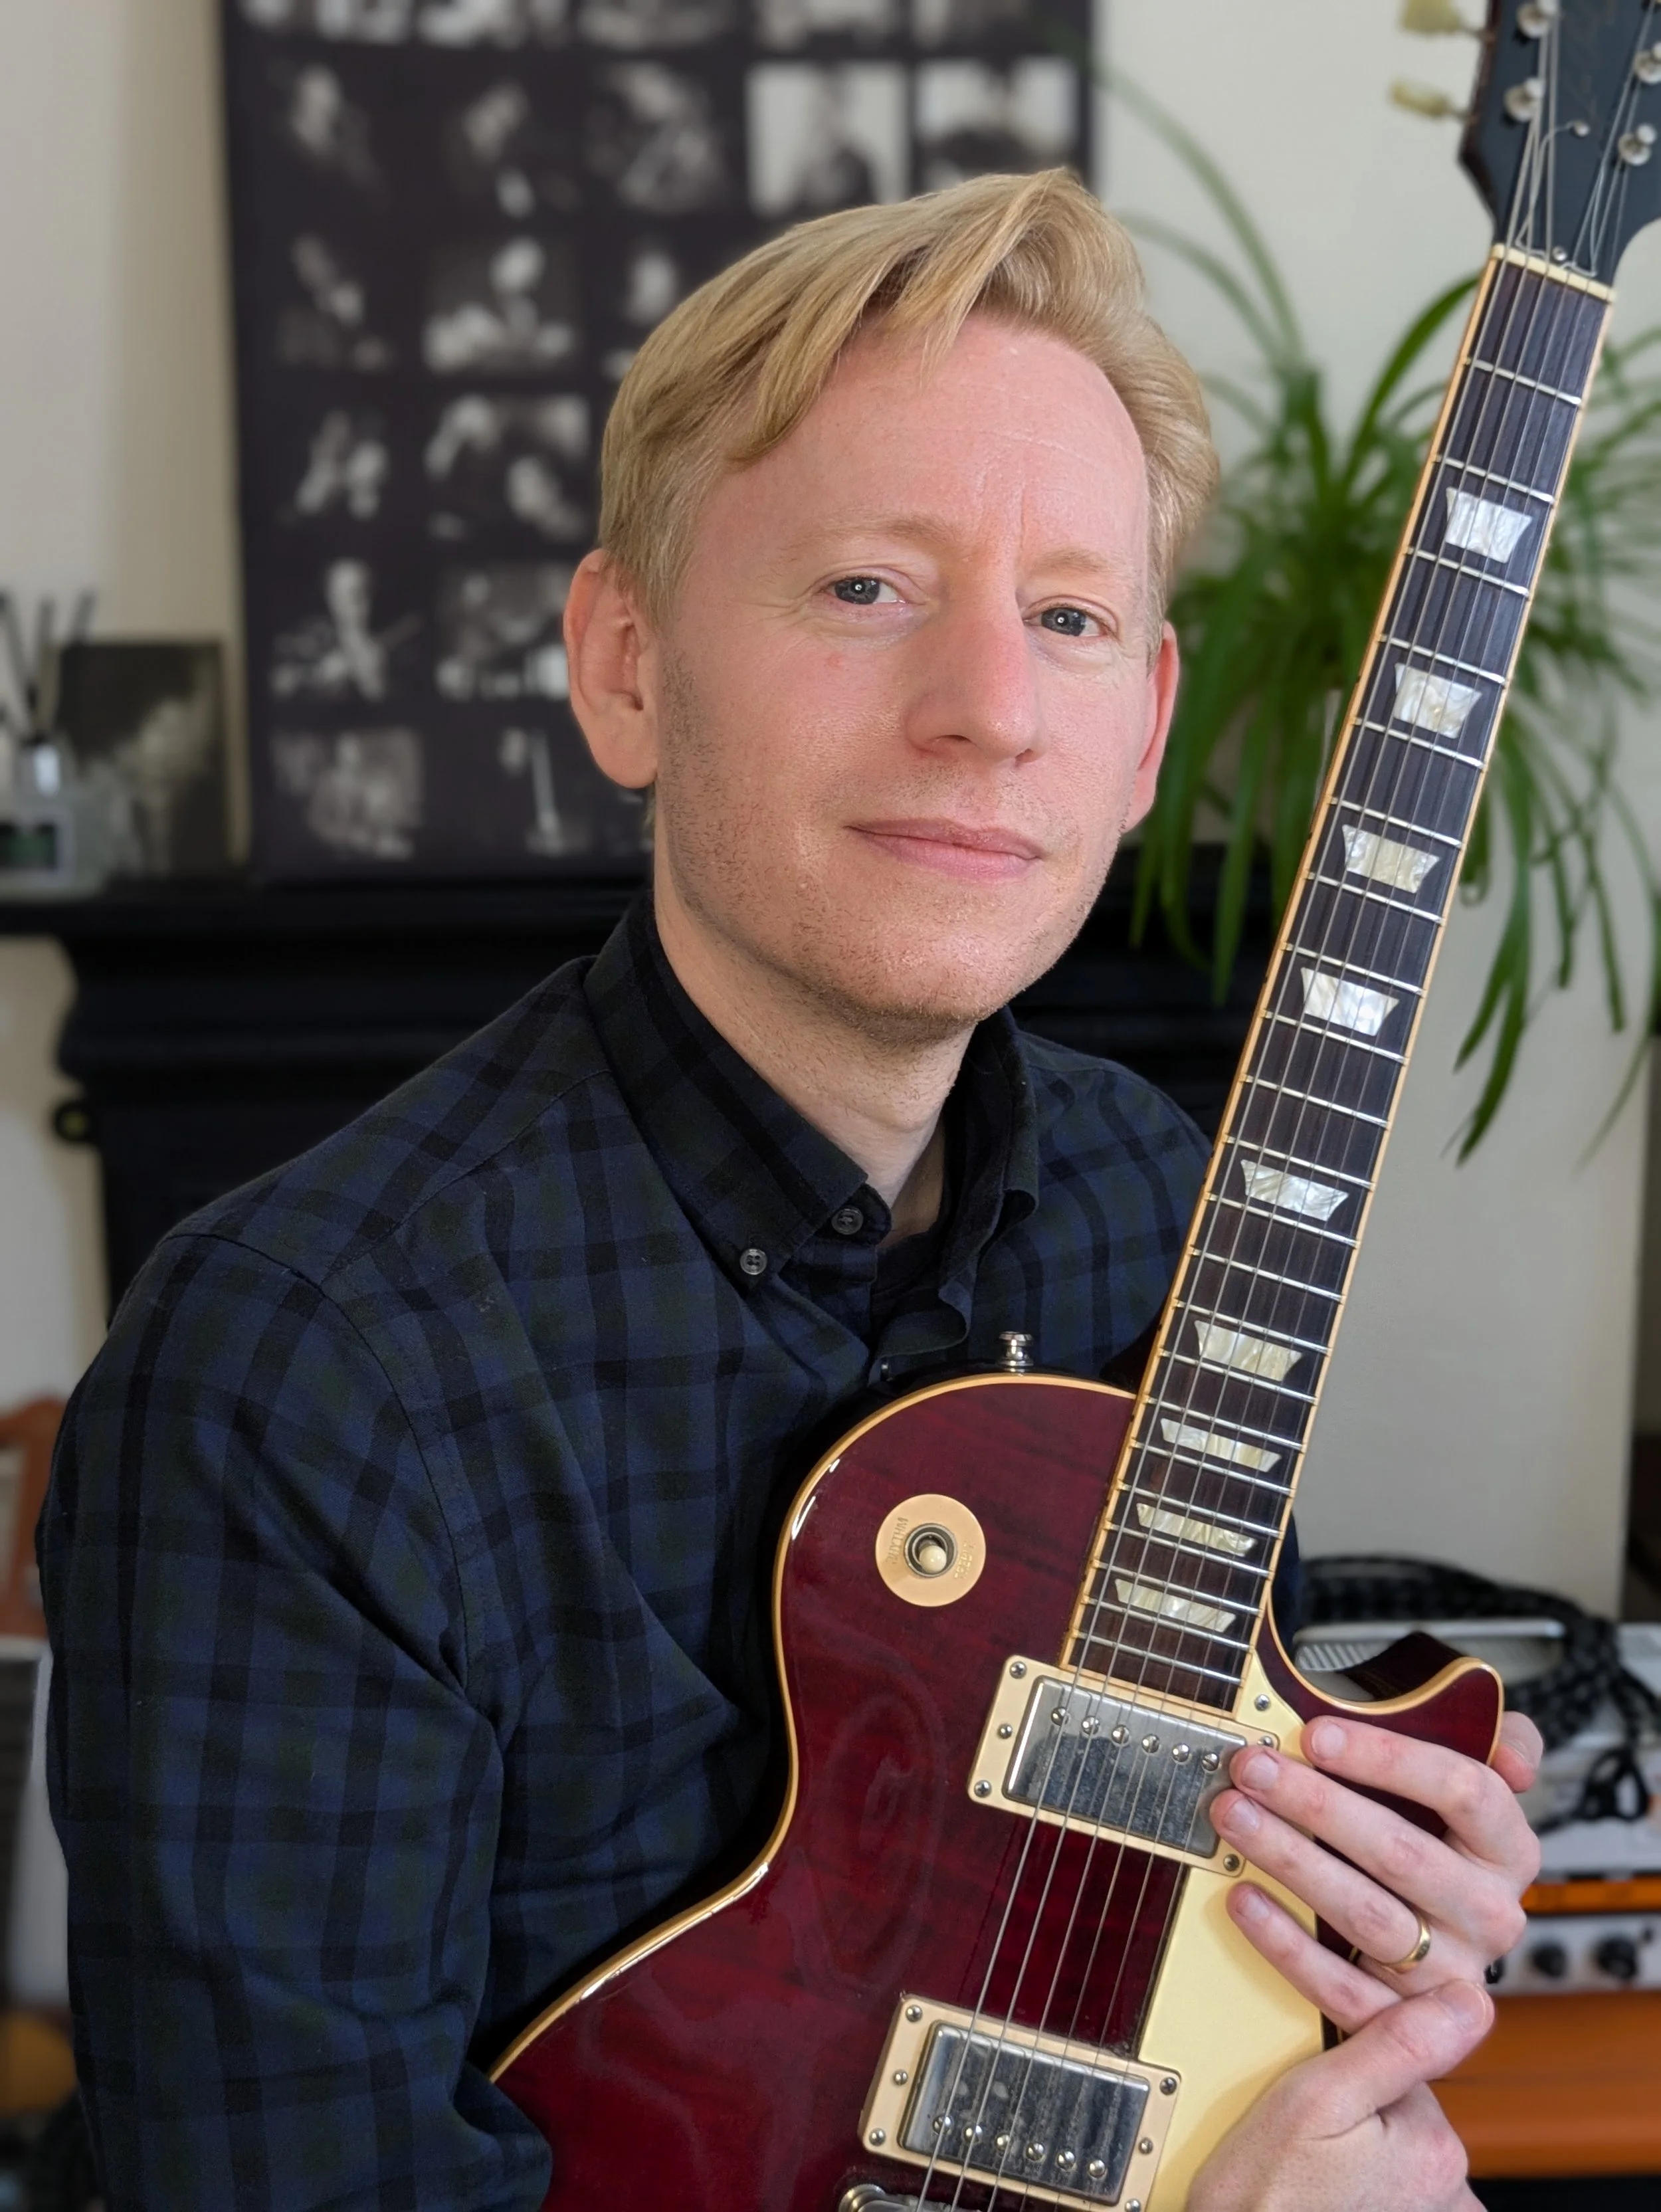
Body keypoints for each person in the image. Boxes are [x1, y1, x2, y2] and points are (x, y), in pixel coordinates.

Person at [42, 169, 1539, 2210]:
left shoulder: (1154, 1194)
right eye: (864, 588)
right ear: (624, 665)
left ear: (1142, 734)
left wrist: (1343, 1890)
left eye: (1070, 618)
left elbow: (1145, 1858)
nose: (988, 708)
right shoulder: (295, 1375)